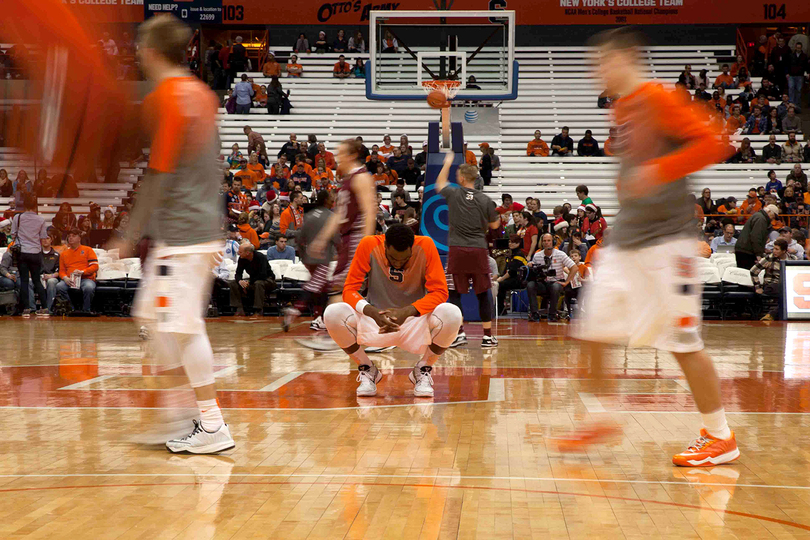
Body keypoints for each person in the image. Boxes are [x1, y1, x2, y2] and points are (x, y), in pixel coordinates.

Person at [564, 28, 740, 466]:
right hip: (627, 240)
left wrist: (660, 169)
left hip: (669, 244)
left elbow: (719, 141)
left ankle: (720, 436)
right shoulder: (622, 108)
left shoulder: (661, 99)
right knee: (593, 328)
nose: (596, 72)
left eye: (601, 62)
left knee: (682, 342)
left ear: (625, 59)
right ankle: (600, 418)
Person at [108, 15, 235, 454]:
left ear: (151, 50)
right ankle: (182, 412)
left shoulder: (167, 97)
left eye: (142, 46)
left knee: (182, 328)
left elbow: (158, 173)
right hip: (195, 231)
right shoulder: (201, 93)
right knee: (153, 319)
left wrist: (129, 232)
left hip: (183, 236)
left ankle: (211, 422)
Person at [322, 224, 462, 397]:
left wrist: (407, 312)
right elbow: (349, 289)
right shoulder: (369, 244)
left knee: (453, 313)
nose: (398, 263)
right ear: (385, 245)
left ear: (411, 248)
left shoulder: (425, 245)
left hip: (413, 320)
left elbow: (440, 292)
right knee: (333, 313)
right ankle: (367, 368)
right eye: (393, 258)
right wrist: (372, 312)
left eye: (404, 259)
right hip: (376, 320)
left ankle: (423, 368)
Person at [290, 140, 377, 344]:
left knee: (341, 288)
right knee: (342, 289)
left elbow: (370, 212)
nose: (338, 158)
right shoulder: (347, 180)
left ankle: (337, 336)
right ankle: (359, 334)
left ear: (351, 155)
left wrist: (365, 245)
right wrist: (322, 238)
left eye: (341, 154)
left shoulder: (361, 177)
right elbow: (338, 215)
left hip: (356, 237)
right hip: (346, 239)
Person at [437, 151, 501, 348]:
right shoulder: (485, 199)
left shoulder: (454, 193)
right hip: (478, 249)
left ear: (462, 178)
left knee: (455, 292)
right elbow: (495, 226)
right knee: (483, 292)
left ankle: (459, 334)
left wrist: (447, 163)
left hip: (457, 248)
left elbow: (439, 184)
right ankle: (487, 336)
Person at [10, 193, 49, 316]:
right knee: (37, 280)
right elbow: (43, 237)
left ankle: (26, 309)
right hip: (36, 252)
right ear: (35, 205)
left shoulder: (18, 217)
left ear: (24, 204)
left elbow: (13, 234)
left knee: (24, 281)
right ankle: (45, 307)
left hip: (22, 252)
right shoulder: (41, 220)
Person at [525, 233, 576, 322]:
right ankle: (534, 313)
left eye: (549, 241)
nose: (546, 243)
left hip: (556, 282)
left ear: (553, 242)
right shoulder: (537, 255)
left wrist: (567, 282)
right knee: (530, 285)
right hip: (543, 283)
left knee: (555, 287)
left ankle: (552, 314)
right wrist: (531, 266)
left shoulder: (560, 254)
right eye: (544, 241)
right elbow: (534, 272)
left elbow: (574, 268)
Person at [55, 228, 97, 312]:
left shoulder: (88, 250)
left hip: (86, 278)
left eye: (73, 236)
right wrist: (65, 278)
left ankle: (86, 310)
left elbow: (95, 266)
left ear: (79, 238)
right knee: (59, 286)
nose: (70, 238)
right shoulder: (64, 254)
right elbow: (61, 271)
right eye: (69, 236)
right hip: (70, 279)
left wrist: (83, 272)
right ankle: (71, 308)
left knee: (88, 287)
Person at [753, 238, 796, 321]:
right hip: (771, 285)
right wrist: (757, 287)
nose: (774, 251)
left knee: (788, 294)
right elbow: (753, 271)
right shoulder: (769, 258)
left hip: (787, 286)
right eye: (773, 249)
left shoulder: (793, 259)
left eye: (777, 249)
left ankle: (771, 314)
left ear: (784, 251)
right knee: (787, 294)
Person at [229, 242, 275, 317]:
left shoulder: (260, 257)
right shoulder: (242, 259)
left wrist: (248, 284)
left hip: (268, 280)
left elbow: (262, 275)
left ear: (247, 253)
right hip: (254, 280)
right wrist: (240, 281)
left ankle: (258, 310)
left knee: (258, 283)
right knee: (233, 283)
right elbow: (238, 273)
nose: (238, 253)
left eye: (240, 252)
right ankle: (239, 308)